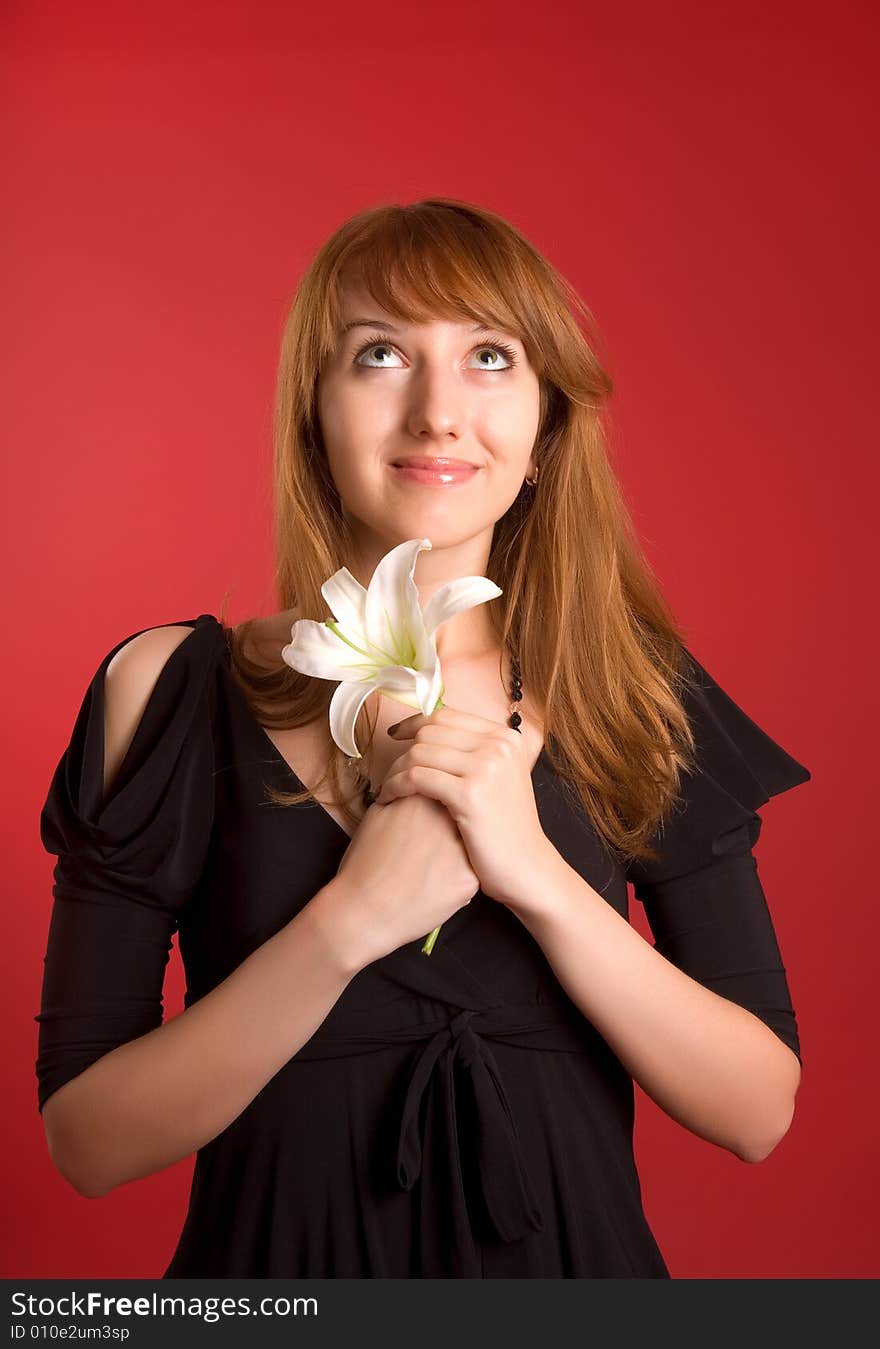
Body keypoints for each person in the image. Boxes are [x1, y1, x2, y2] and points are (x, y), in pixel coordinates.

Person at [34, 197, 811, 1278]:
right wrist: (350, 920)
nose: (438, 412)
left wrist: (533, 874)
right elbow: (89, 1141)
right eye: (382, 353)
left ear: (544, 431)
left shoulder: (631, 688)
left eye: (490, 356)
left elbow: (756, 1109)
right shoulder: (167, 687)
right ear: (314, 412)